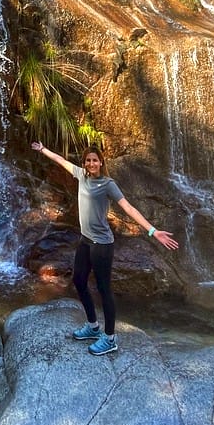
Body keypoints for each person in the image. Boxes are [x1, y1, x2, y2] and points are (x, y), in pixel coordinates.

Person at [30, 141, 178, 355]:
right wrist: (43, 150)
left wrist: (152, 231)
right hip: (86, 241)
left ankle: (110, 338)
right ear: (85, 162)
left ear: (101, 163)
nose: (91, 163)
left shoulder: (108, 184)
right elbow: (61, 160)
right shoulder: (81, 175)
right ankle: (92, 326)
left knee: (103, 289)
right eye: (88, 160)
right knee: (79, 281)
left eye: (95, 160)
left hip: (102, 245)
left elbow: (128, 207)